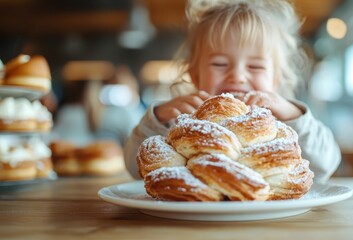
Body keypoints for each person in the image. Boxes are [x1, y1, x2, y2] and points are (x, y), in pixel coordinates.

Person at [124, 0, 341, 182]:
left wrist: (294, 114)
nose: (237, 76)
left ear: (275, 79)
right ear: (195, 74)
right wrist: (158, 119)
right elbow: (135, 168)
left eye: (255, 66)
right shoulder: (183, 126)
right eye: (219, 64)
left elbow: (324, 166)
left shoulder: (280, 126)